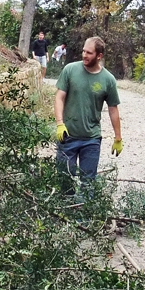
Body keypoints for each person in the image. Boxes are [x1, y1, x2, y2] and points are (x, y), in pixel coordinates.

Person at [54, 36, 123, 196]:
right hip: (67, 136)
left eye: (89, 53)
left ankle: (84, 219)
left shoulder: (108, 80)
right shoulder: (70, 70)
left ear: (99, 56)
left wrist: (118, 138)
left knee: (88, 184)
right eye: (84, 51)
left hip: (91, 140)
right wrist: (59, 123)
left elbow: (113, 109)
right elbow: (59, 97)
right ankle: (63, 216)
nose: (84, 55)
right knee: (65, 181)